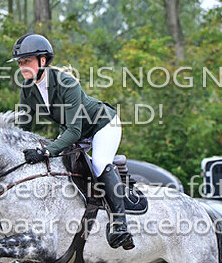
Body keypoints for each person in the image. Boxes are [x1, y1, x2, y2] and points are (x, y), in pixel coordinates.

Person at [9, 33, 134, 250]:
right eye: (20, 63)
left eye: (26, 61)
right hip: (74, 131)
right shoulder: (27, 88)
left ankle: (119, 225)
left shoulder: (67, 84)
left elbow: (75, 131)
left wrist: (46, 151)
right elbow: (24, 127)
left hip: (102, 125)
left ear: (42, 60)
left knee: (99, 163)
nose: (22, 67)